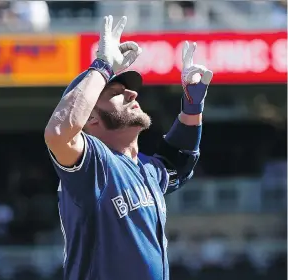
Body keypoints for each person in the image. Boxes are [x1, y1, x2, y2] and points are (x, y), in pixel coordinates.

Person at [44, 15, 213, 280]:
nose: (133, 94)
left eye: (130, 89)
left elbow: (177, 162)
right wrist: (101, 68)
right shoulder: (94, 165)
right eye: (116, 92)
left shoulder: (145, 168)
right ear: (90, 116)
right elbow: (58, 134)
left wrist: (192, 108)